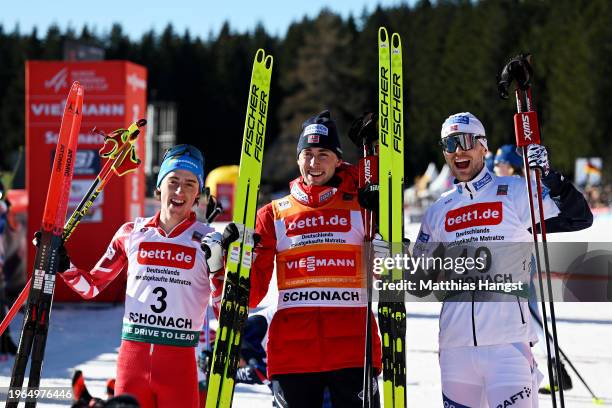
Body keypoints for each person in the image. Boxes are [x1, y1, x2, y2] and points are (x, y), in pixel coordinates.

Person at [413, 112, 592, 407]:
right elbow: (418, 283)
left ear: (484, 146)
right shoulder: (438, 211)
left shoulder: (514, 193)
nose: (459, 150)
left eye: (467, 141)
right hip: (455, 349)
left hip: (507, 348)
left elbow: (578, 217)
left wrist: (550, 177)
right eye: (449, 144)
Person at [54, 145, 228, 408]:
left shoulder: (208, 240)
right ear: (159, 188)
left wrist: (217, 269)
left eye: (190, 184)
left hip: (179, 364)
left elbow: (223, 309)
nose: (180, 191)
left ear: (199, 194)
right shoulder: (131, 232)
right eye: (173, 182)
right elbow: (91, 288)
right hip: (131, 362)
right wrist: (64, 265)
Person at [248, 110, 382, 407]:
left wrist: (373, 160)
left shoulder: (363, 204)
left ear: (338, 159)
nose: (314, 163)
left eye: (323, 154)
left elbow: (387, 272)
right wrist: (227, 267)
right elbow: (252, 293)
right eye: (307, 153)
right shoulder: (272, 214)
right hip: (293, 357)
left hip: (353, 352)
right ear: (298, 159)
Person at [493, 144, 574, 394]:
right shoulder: (501, 188)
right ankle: (552, 368)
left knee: (530, 317)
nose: (496, 169)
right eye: (496, 165)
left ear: (511, 166)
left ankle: (553, 368)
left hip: (517, 263)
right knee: (526, 318)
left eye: (500, 165)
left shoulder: (516, 188)